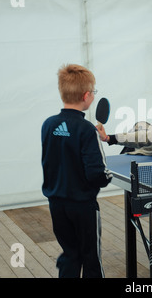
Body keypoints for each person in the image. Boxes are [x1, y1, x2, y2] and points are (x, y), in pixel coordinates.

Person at [41, 64, 112, 278]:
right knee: (91, 258)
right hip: (83, 207)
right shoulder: (86, 130)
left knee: (70, 255)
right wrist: (107, 176)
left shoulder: (48, 125)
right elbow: (97, 174)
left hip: (56, 204)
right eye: (94, 92)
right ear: (87, 96)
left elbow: (51, 161)